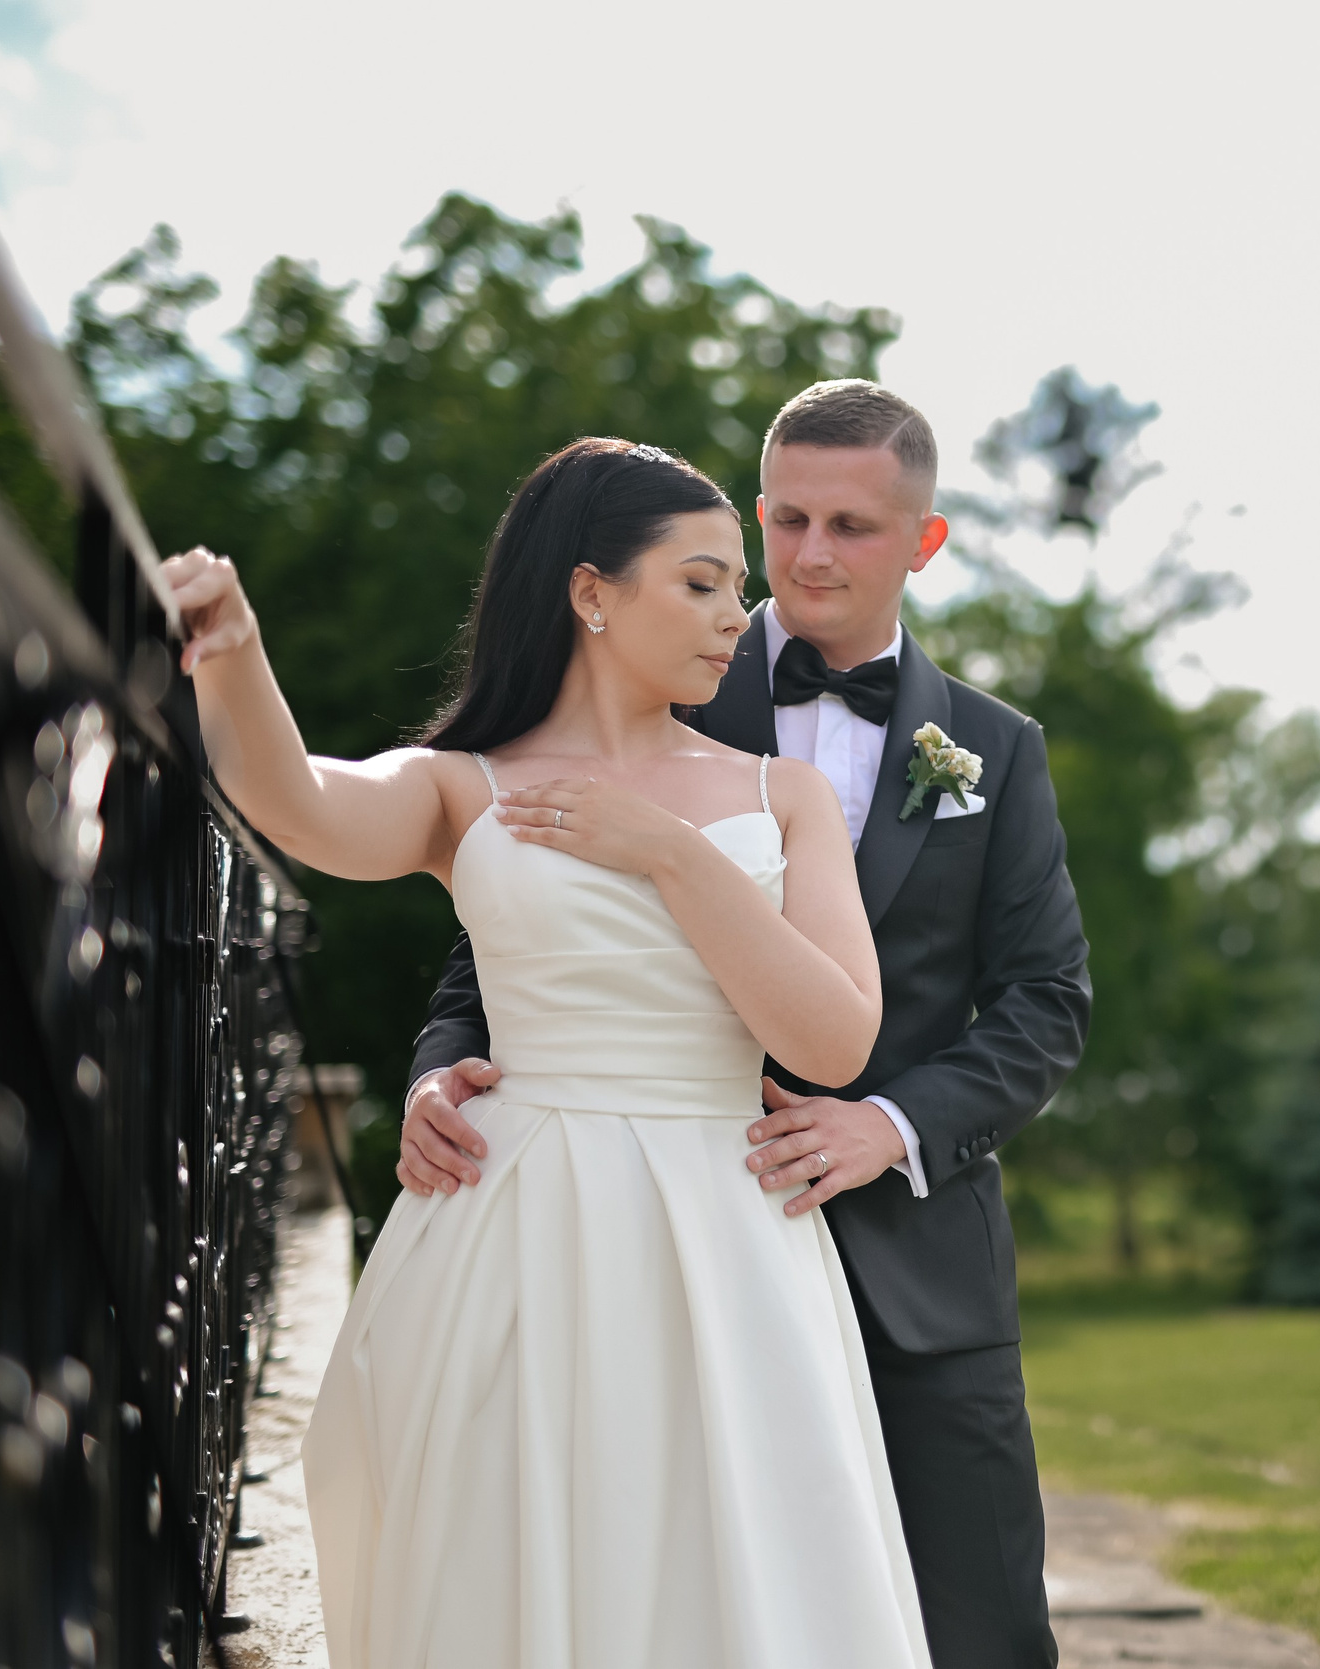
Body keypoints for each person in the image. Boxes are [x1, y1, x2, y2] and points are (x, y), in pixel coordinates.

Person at [166, 437, 933, 1665]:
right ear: (590, 592)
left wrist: (668, 853)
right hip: (510, 1223)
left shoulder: (782, 794)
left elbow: (834, 1040)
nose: (734, 616)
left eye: (735, 588)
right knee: (508, 1557)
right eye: (700, 582)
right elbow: (299, 802)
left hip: (726, 1233)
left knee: (732, 1568)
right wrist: (235, 648)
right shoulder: (461, 785)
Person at [401, 382, 1087, 1668]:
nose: (809, 555)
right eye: (787, 518)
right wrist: (440, 1074)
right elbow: (494, 926)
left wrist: (888, 1126)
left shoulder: (994, 747)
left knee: (982, 1630)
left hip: (918, 1268)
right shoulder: (645, 685)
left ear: (925, 541)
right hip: (657, 1255)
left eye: (852, 526)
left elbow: (1045, 998)